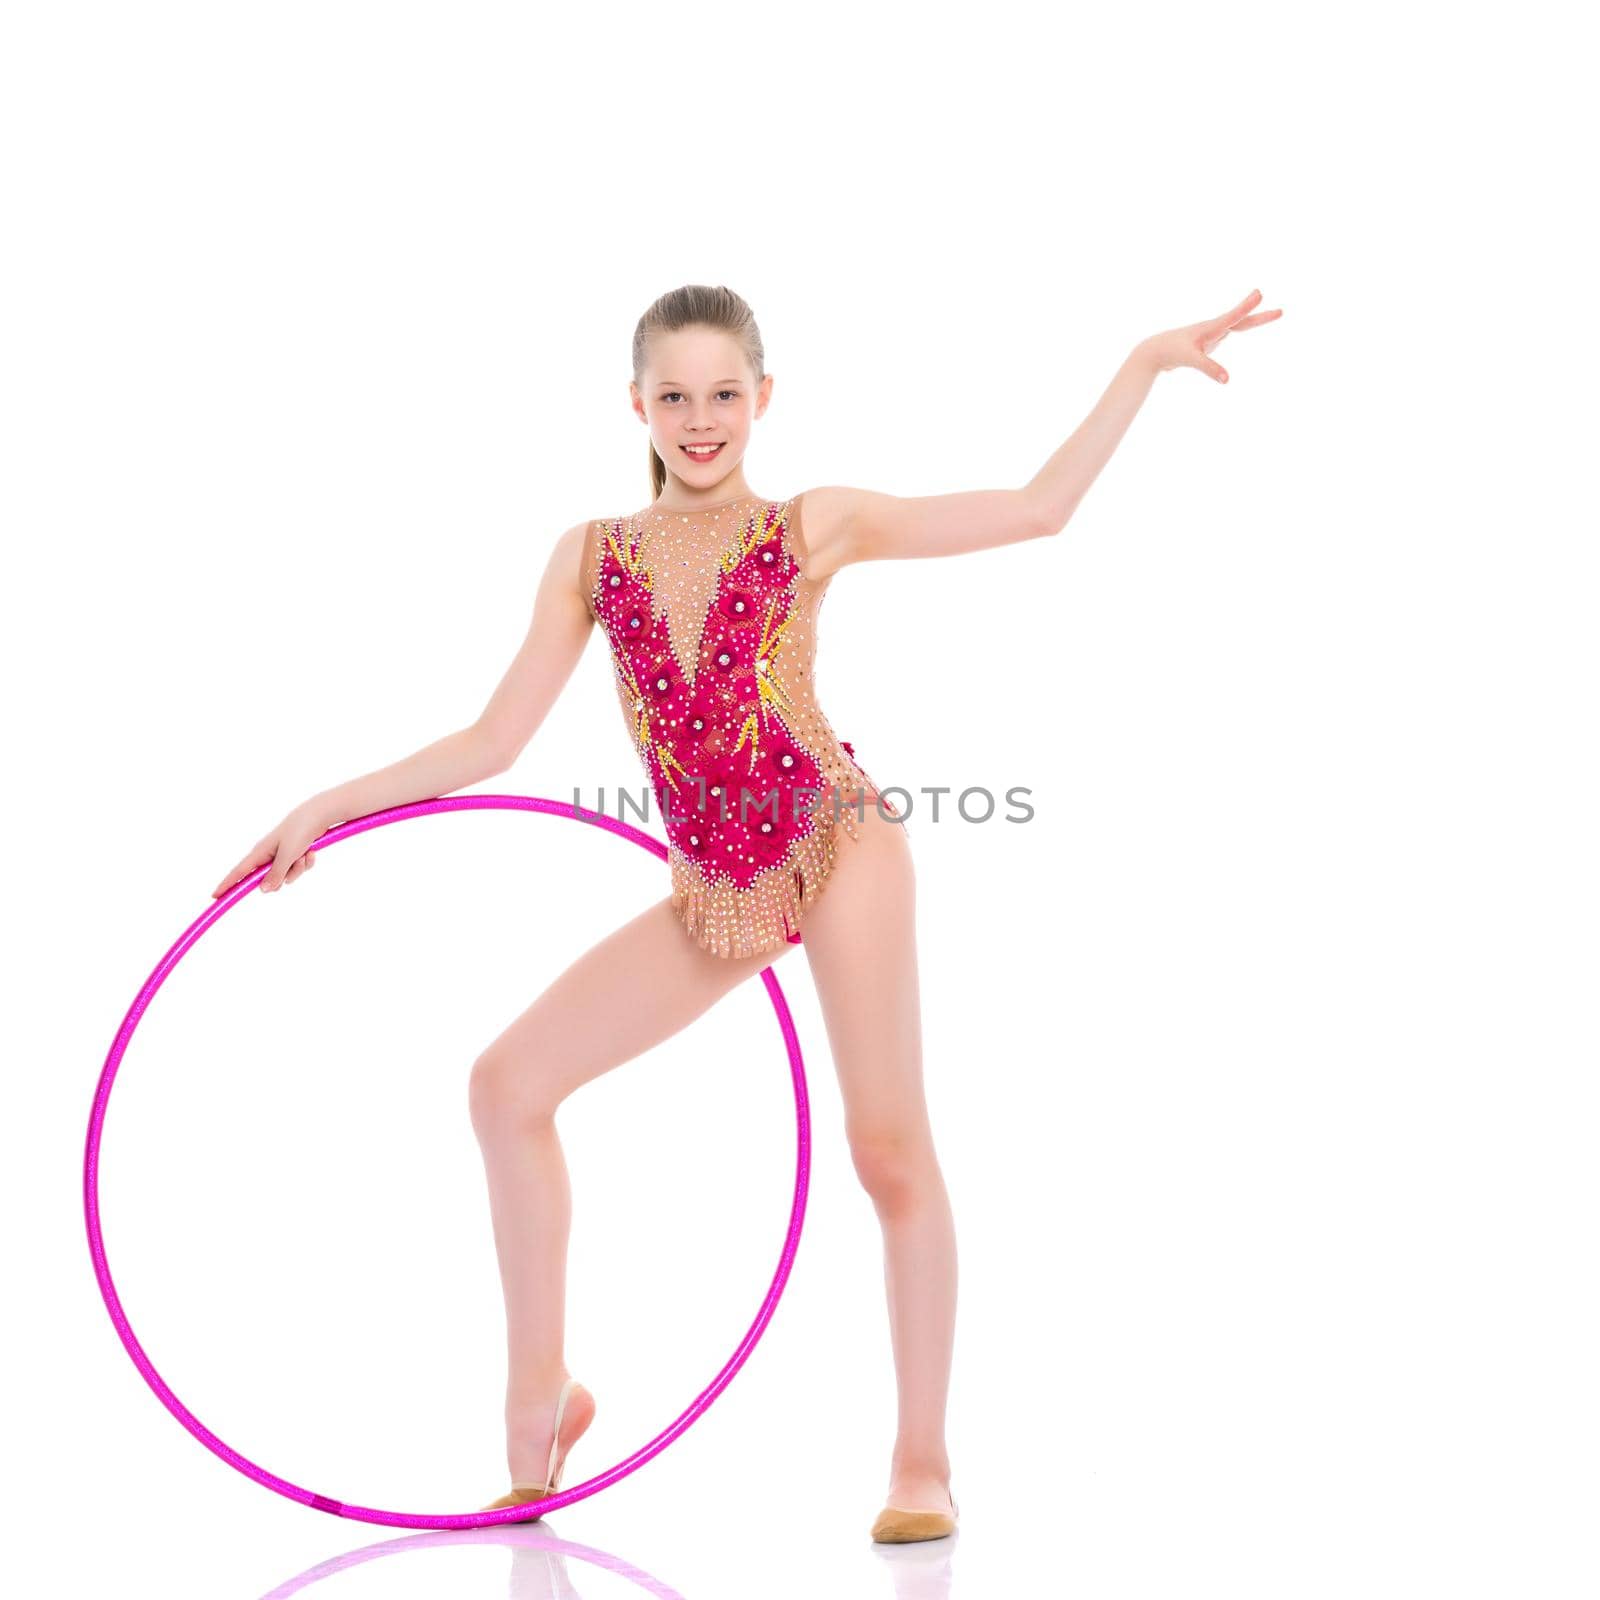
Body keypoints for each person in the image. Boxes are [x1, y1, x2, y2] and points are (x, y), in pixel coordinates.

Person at [211, 282, 1281, 1543]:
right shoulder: (591, 555)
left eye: (725, 393)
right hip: (715, 888)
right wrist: (324, 807)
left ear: (762, 398)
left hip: (836, 844)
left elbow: (1035, 510)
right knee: (504, 1086)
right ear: (637, 405)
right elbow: (493, 737)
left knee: (885, 1148)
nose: (701, 419)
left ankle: (921, 1460)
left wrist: (1142, 364)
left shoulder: (808, 525)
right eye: (675, 395)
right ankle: (537, 1405)